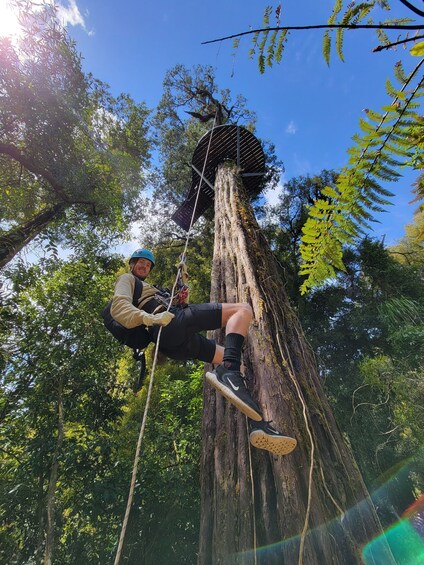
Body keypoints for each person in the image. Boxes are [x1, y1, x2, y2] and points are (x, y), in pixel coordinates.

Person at [111, 248, 297, 456]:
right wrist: (151, 319)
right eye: (140, 263)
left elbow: (177, 306)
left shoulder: (150, 289)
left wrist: (180, 292)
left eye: (148, 264)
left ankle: (259, 424)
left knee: (236, 362)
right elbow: (118, 308)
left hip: (175, 341)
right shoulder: (127, 279)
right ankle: (228, 372)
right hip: (166, 326)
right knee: (242, 310)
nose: (144, 266)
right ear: (132, 264)